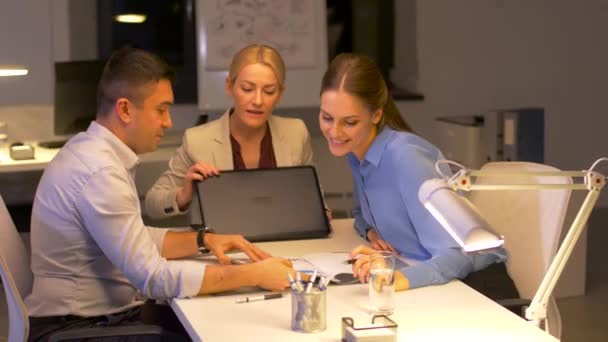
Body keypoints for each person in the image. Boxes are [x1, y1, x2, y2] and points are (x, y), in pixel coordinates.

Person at [25, 47, 294, 341]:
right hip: (78, 328)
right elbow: (152, 277)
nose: (168, 122)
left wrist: (204, 239)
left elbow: (135, 237)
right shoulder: (100, 172)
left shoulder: (92, 152)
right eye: (161, 109)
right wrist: (253, 275)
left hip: (94, 318)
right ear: (125, 109)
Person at [318, 53, 519, 300]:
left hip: (478, 288)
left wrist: (390, 279)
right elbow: (361, 215)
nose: (334, 131)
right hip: (430, 279)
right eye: (327, 117)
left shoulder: (406, 159)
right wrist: (374, 233)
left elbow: (457, 254)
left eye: (349, 122)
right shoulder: (358, 154)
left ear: (376, 115)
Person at [145, 44, 313, 219]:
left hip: (285, 241)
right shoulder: (198, 140)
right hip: (225, 243)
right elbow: (152, 203)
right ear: (229, 86)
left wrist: (319, 210)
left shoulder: (296, 133)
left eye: (269, 91)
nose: (257, 100)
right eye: (247, 89)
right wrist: (183, 195)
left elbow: (311, 195)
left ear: (280, 94)